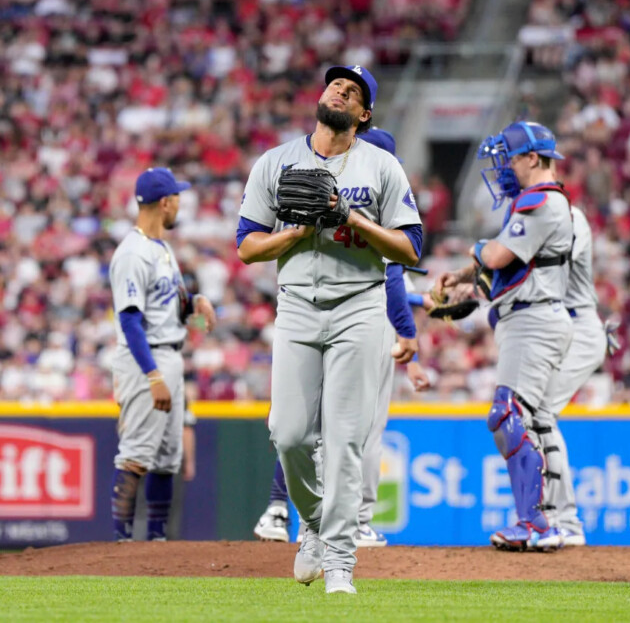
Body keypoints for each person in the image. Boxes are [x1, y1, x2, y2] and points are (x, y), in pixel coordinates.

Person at [236, 67, 423, 594]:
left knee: (344, 440)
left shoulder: (382, 166)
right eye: (335, 85)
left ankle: (340, 559)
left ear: (364, 114)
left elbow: (410, 249)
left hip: (359, 306)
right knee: (288, 432)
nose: (340, 91)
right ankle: (316, 524)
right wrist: (296, 232)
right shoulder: (276, 163)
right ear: (321, 96)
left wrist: (353, 217)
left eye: (353, 91)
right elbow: (247, 246)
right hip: (297, 304)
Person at [254, 130, 430, 548]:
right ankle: (346, 522)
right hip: (360, 316)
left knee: (303, 425)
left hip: (312, 305)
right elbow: (389, 276)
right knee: (350, 427)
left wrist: (423, 300)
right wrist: (407, 329)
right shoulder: (369, 198)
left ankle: (280, 508)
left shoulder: (338, 193)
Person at [433, 121, 573, 551]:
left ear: (533, 158)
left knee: (507, 414)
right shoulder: (538, 203)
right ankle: (539, 521)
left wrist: (475, 251)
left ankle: (536, 523)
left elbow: (495, 254)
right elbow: (503, 270)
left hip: (535, 320)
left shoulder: (542, 201)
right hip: (527, 317)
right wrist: (462, 278)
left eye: (510, 158)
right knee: (519, 417)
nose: (505, 168)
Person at [109, 167, 216, 542]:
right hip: (146, 360)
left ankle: (156, 543)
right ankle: (121, 544)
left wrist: (196, 302)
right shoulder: (132, 253)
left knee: (168, 459)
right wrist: (153, 375)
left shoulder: (162, 249)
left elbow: (173, 304)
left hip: (169, 355)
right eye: (178, 198)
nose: (179, 206)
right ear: (165, 202)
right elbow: (130, 322)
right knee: (136, 455)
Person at [532, 191, 614, 547]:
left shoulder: (571, 217)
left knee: (540, 413)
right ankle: (553, 515)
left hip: (580, 329)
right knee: (533, 414)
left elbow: (554, 262)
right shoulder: (529, 222)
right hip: (557, 329)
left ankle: (564, 519)